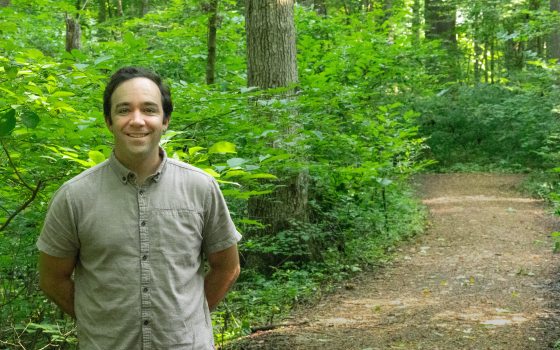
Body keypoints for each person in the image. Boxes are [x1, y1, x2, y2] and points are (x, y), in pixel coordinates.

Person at [37, 66, 241, 349]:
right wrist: (99, 323)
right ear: (109, 120)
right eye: (123, 110)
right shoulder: (74, 197)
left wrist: (186, 320)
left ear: (165, 119)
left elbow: (227, 268)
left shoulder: (201, 188)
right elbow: (52, 278)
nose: (137, 120)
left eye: (149, 109)